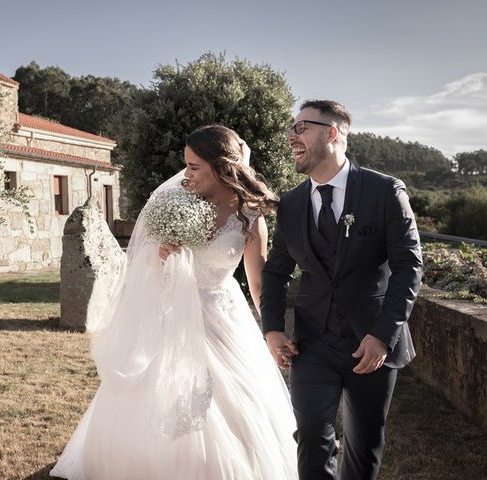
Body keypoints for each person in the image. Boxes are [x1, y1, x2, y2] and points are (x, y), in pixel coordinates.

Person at [50, 125, 298, 479]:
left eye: (195, 167)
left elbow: (258, 282)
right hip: (173, 315)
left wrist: (271, 330)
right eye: (186, 165)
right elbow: (141, 265)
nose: (187, 174)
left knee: (237, 403)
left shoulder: (250, 214)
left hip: (223, 317)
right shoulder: (175, 201)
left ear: (222, 167)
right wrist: (161, 255)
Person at [260, 100, 423, 480]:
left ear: (332, 133)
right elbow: (275, 273)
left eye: (301, 127)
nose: (291, 135)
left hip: (372, 341)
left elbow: (409, 266)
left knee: (364, 445)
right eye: (291, 127)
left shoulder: (385, 191)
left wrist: (383, 335)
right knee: (313, 435)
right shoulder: (292, 203)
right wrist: (272, 328)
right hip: (313, 342)